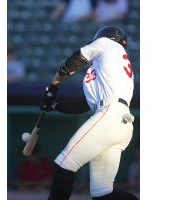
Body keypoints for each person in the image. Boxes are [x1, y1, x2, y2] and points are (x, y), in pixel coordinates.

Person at [41, 26, 138, 200]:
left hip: (109, 114)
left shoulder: (108, 44)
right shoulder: (110, 67)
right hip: (120, 122)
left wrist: (53, 85)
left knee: (64, 164)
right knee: (102, 193)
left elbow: (76, 59)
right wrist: (54, 105)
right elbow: (83, 105)